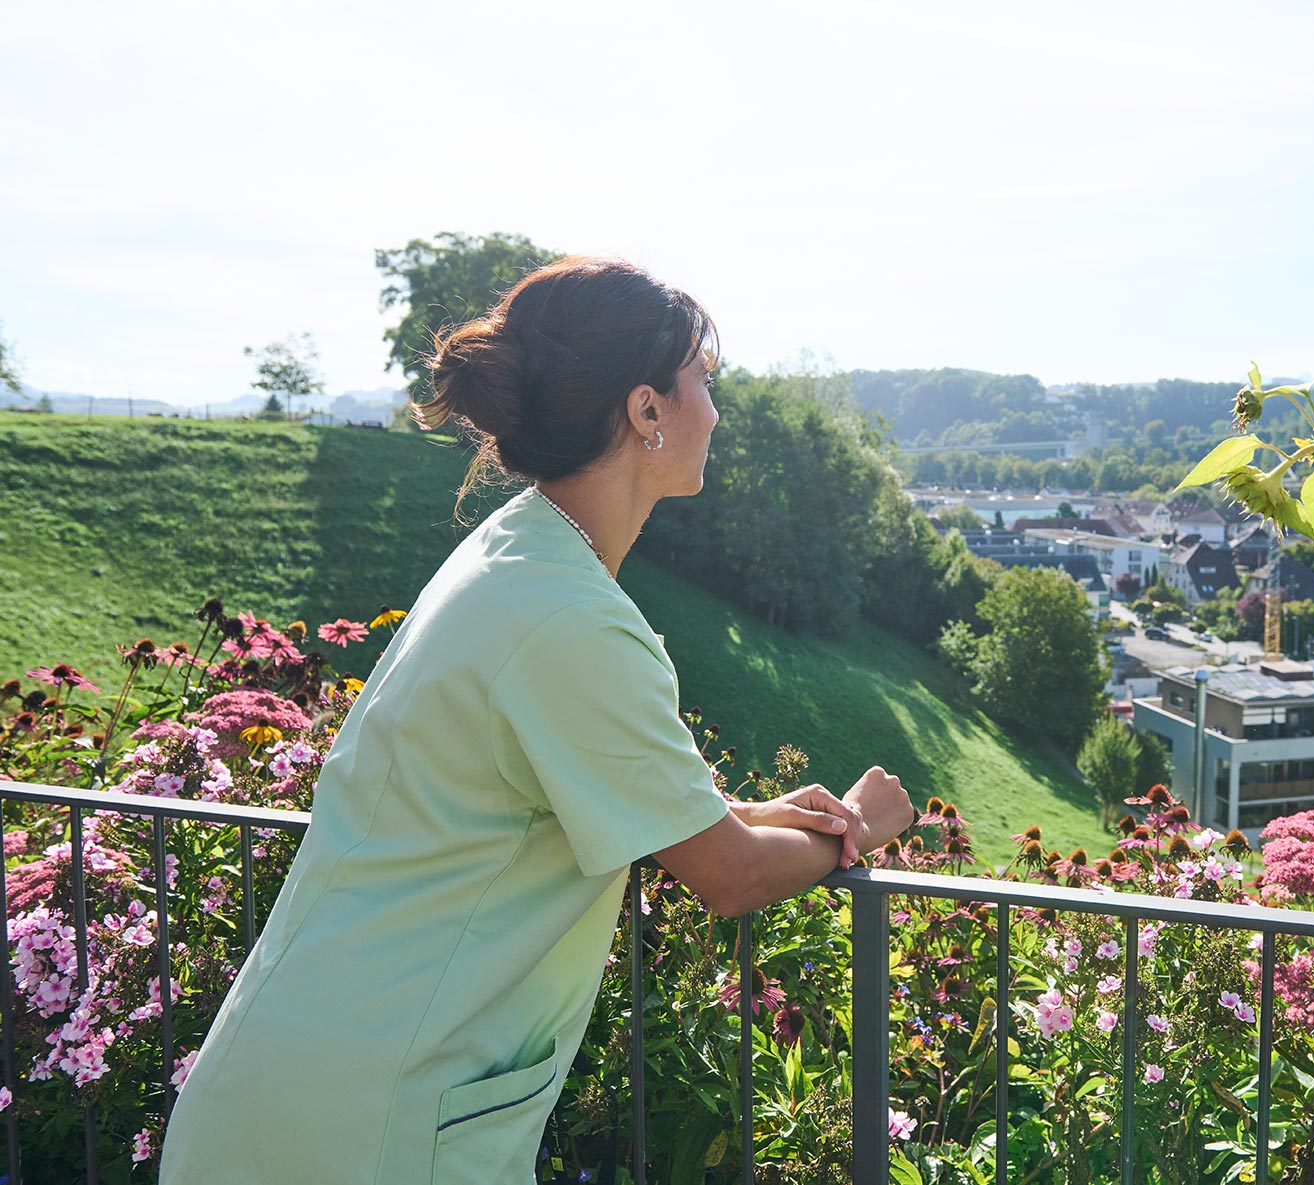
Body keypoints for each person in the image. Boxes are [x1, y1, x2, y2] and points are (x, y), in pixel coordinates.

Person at [158, 257, 916, 1185]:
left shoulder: (514, 555)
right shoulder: (573, 621)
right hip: (375, 1121)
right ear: (647, 411)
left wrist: (748, 811)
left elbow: (537, 795)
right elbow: (730, 876)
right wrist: (861, 821)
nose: (714, 410)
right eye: (702, 382)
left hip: (297, 1080)